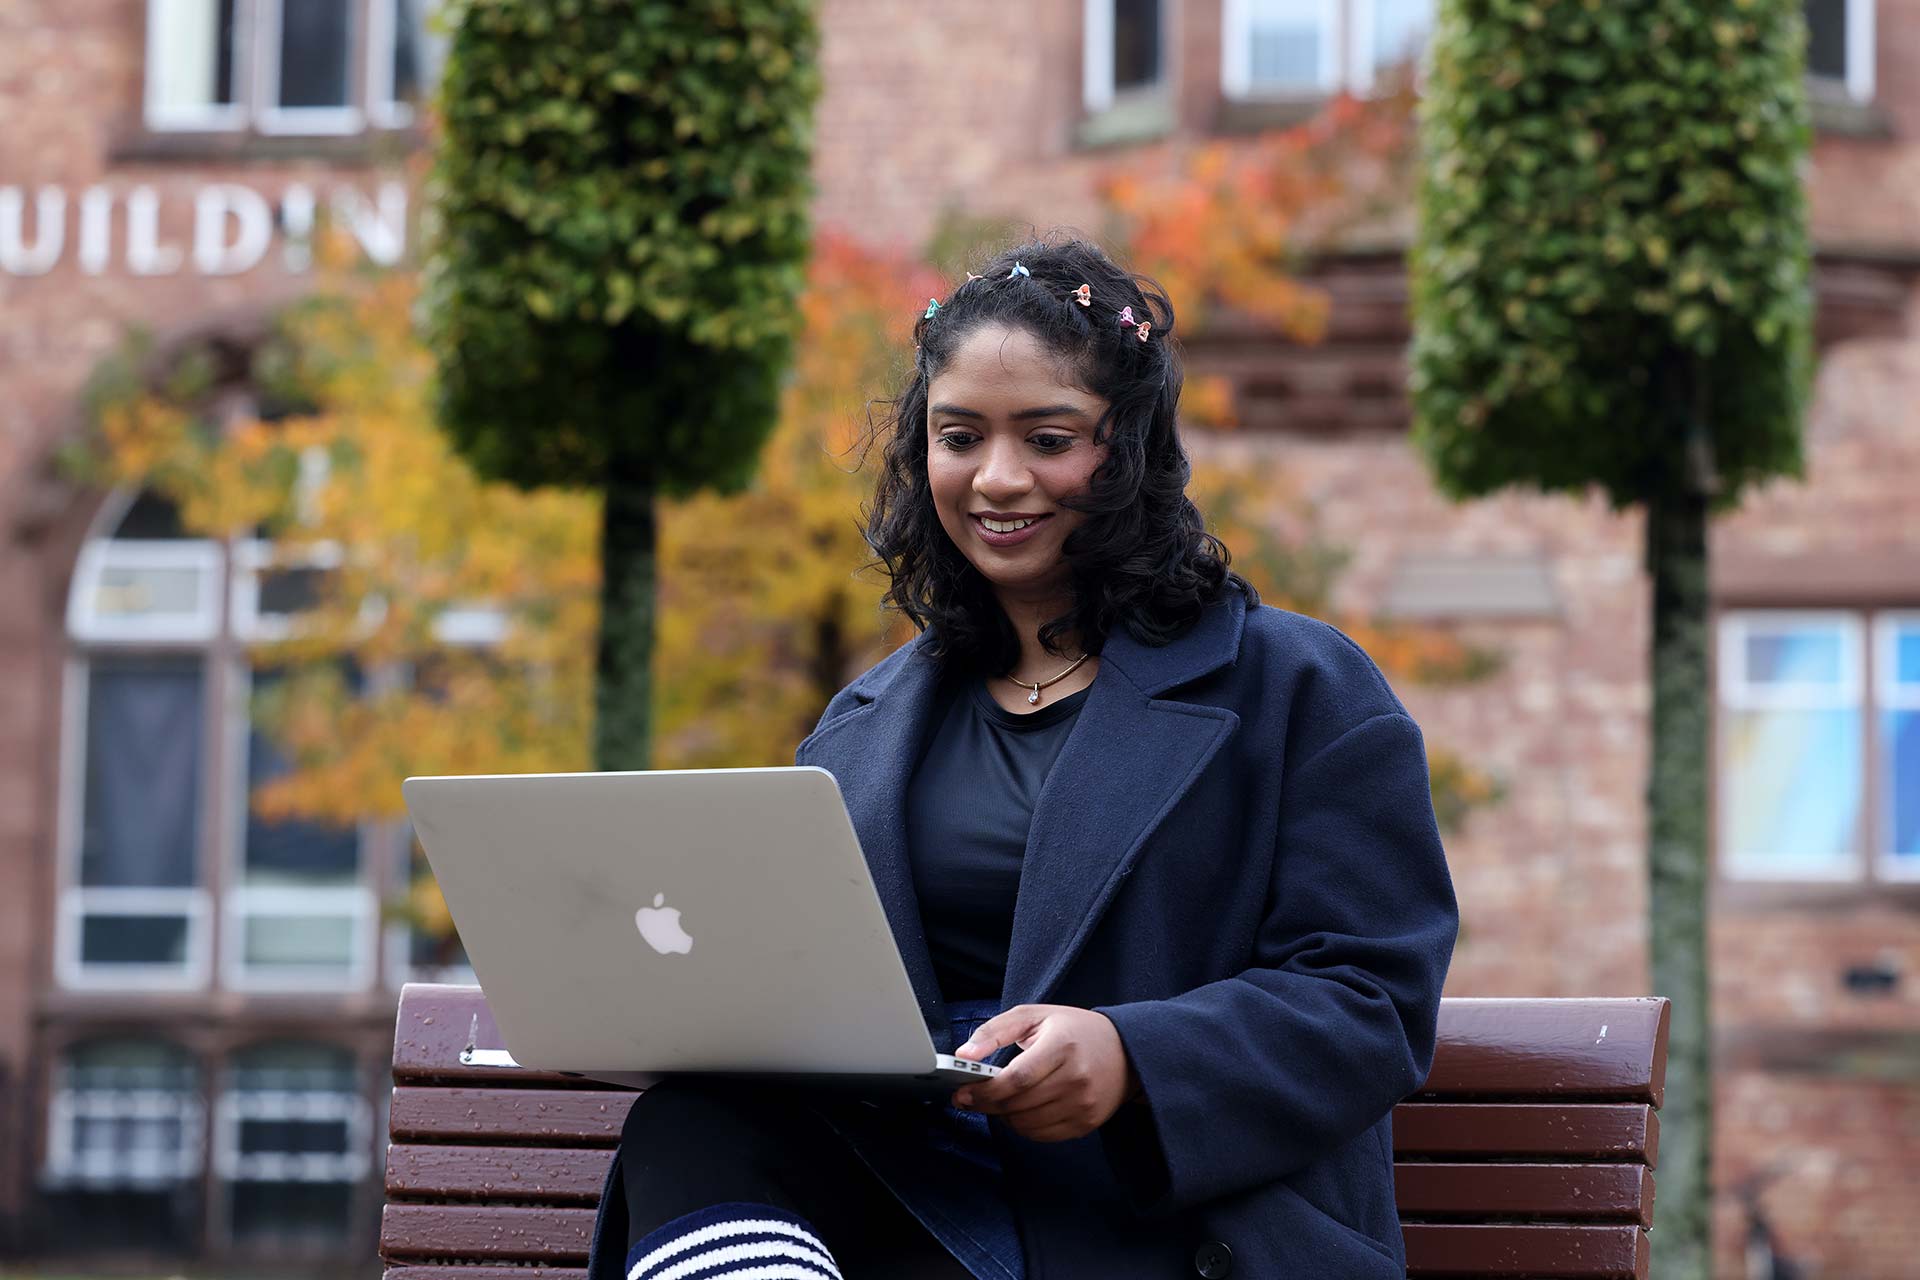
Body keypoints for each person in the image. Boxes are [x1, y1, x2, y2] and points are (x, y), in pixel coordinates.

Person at [584, 236, 1459, 1279]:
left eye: (1048, 438)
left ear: (1126, 447)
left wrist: (1135, 1057)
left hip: (1161, 1221)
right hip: (919, 1193)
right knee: (691, 1124)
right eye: (961, 437)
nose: (999, 479)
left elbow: (1373, 998)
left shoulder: (1297, 688)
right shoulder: (861, 722)